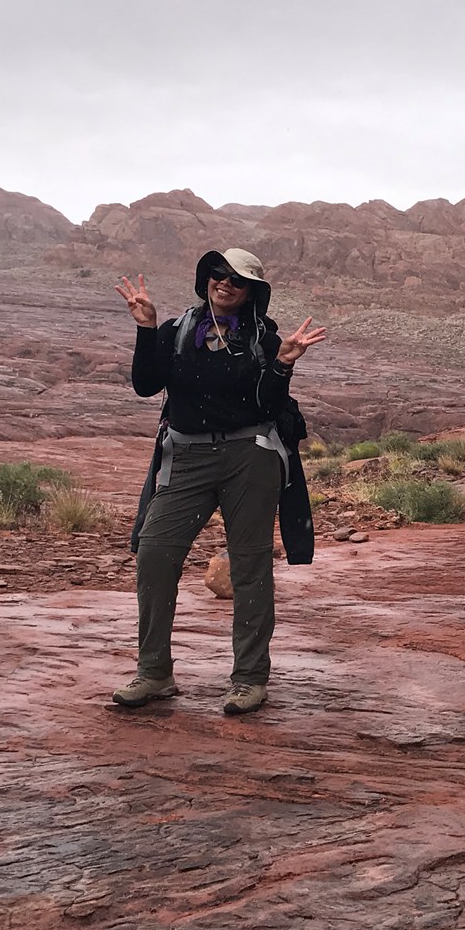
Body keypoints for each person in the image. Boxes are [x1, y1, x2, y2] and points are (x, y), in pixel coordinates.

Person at [111, 249, 326, 714]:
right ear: (205, 279)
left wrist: (284, 364)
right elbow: (147, 386)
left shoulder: (263, 338)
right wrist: (145, 328)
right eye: (217, 274)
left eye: (236, 280)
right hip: (185, 456)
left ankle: (249, 679)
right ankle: (154, 672)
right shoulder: (176, 331)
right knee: (154, 554)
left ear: (252, 292)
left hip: (248, 456)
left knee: (249, 565)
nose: (224, 283)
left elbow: (268, 405)